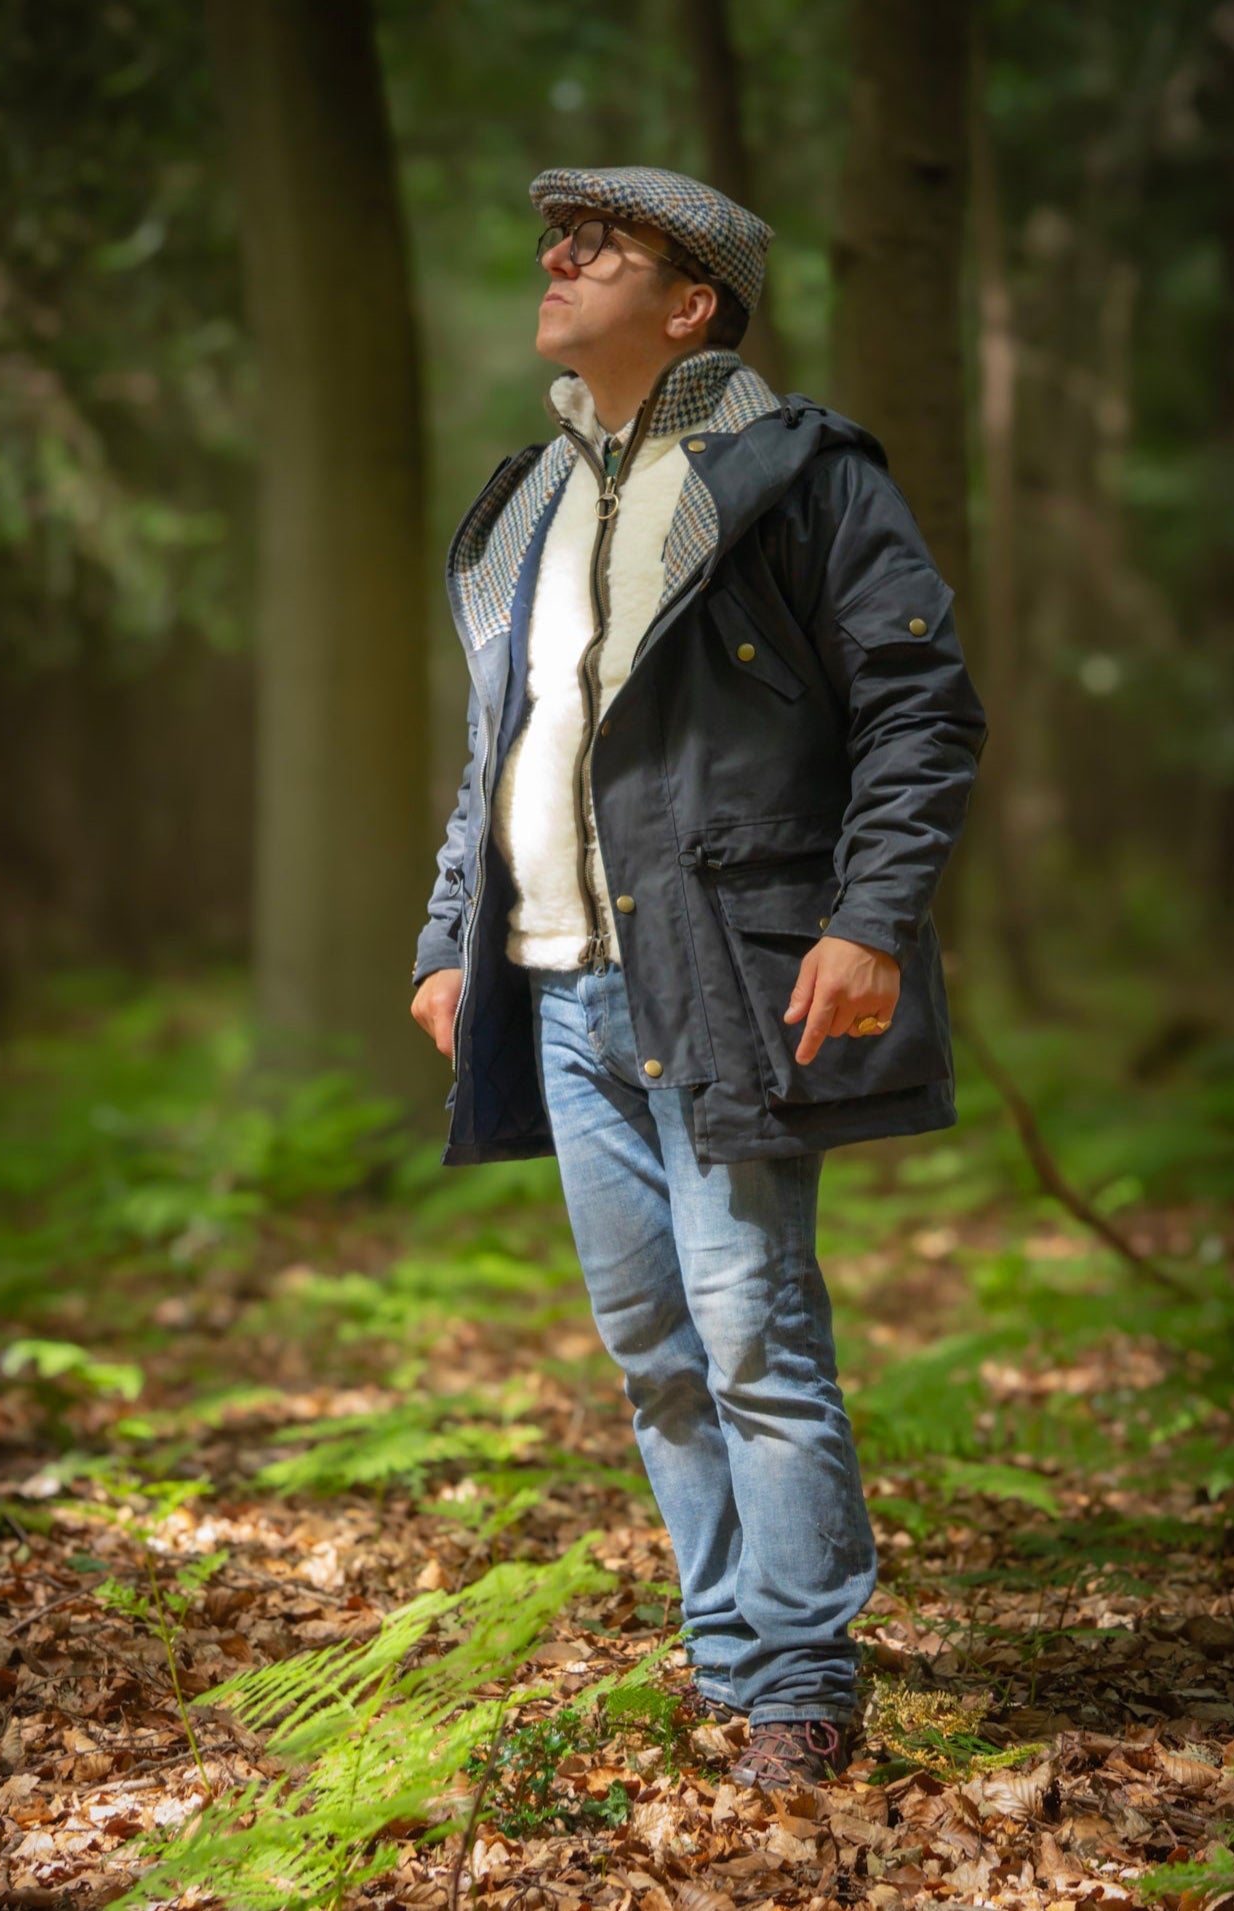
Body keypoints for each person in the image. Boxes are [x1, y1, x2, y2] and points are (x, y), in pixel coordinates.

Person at [410, 165, 988, 1791]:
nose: (556, 255)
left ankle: (802, 1681)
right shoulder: (527, 493)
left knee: (752, 1336)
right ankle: (730, 1663)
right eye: (555, 235)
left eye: (600, 244)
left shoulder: (796, 474)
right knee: (654, 1349)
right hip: (556, 984)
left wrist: (868, 920)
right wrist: (450, 930)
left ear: (690, 303)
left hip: (724, 976)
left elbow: (919, 711)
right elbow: (500, 746)